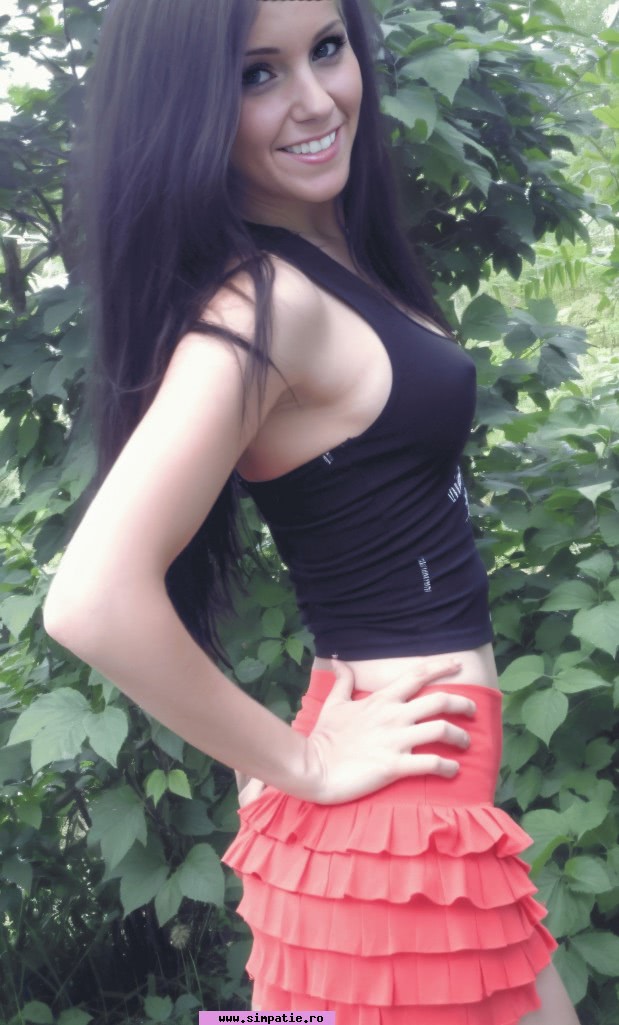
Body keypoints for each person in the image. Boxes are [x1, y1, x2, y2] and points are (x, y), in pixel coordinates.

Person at [43, 0, 581, 1022]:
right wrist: (301, 760)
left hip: (407, 817)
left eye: (326, 49)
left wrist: (300, 757)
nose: (315, 99)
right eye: (257, 74)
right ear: (190, 107)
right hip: (396, 832)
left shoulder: (320, 254)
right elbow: (91, 600)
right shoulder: (262, 306)